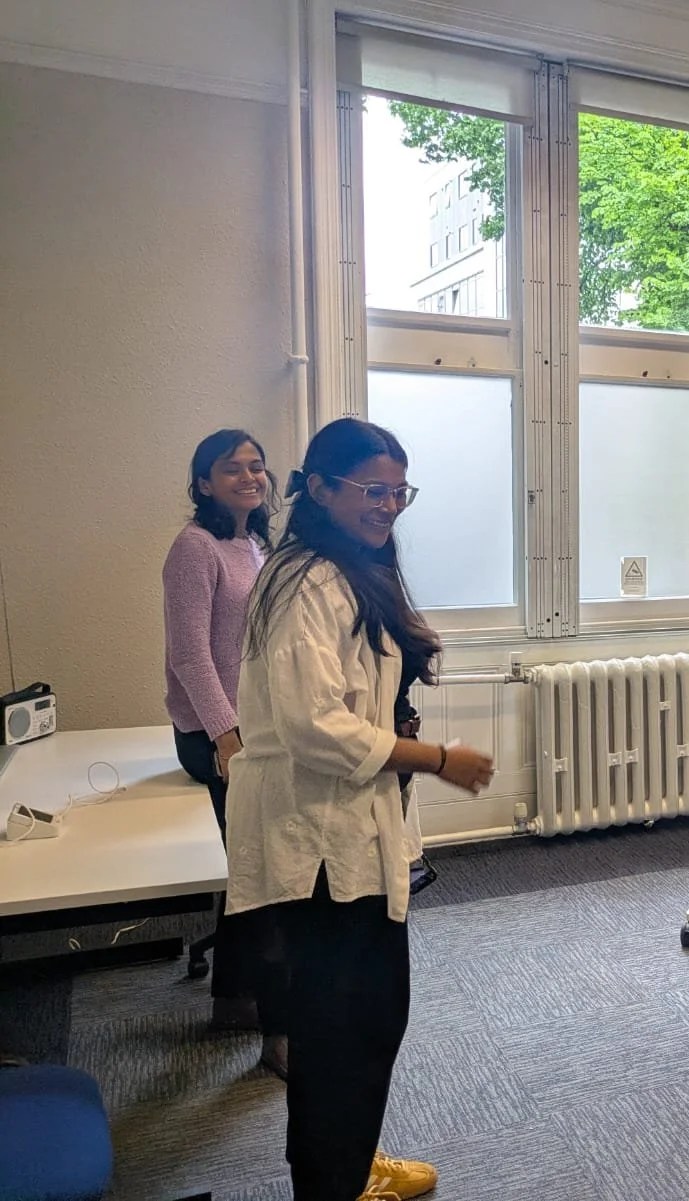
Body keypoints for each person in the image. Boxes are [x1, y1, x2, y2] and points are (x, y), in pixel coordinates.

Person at [227, 418, 494, 1201]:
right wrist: (439, 759)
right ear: (317, 488)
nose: (388, 505)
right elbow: (315, 725)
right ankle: (332, 1183)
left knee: (364, 1022)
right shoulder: (308, 578)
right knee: (347, 1028)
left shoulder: (349, 567)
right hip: (317, 838)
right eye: (372, 490)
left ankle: (343, 1165)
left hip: (348, 826)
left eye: (398, 491)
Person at [162, 428, 288, 1078]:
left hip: (254, 731)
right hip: (213, 738)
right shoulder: (196, 546)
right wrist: (226, 737)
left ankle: (233, 1001)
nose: (250, 475)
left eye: (257, 466)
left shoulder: (253, 543)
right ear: (204, 481)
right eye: (232, 468)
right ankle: (278, 1031)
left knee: (251, 871)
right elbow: (188, 655)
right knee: (267, 876)